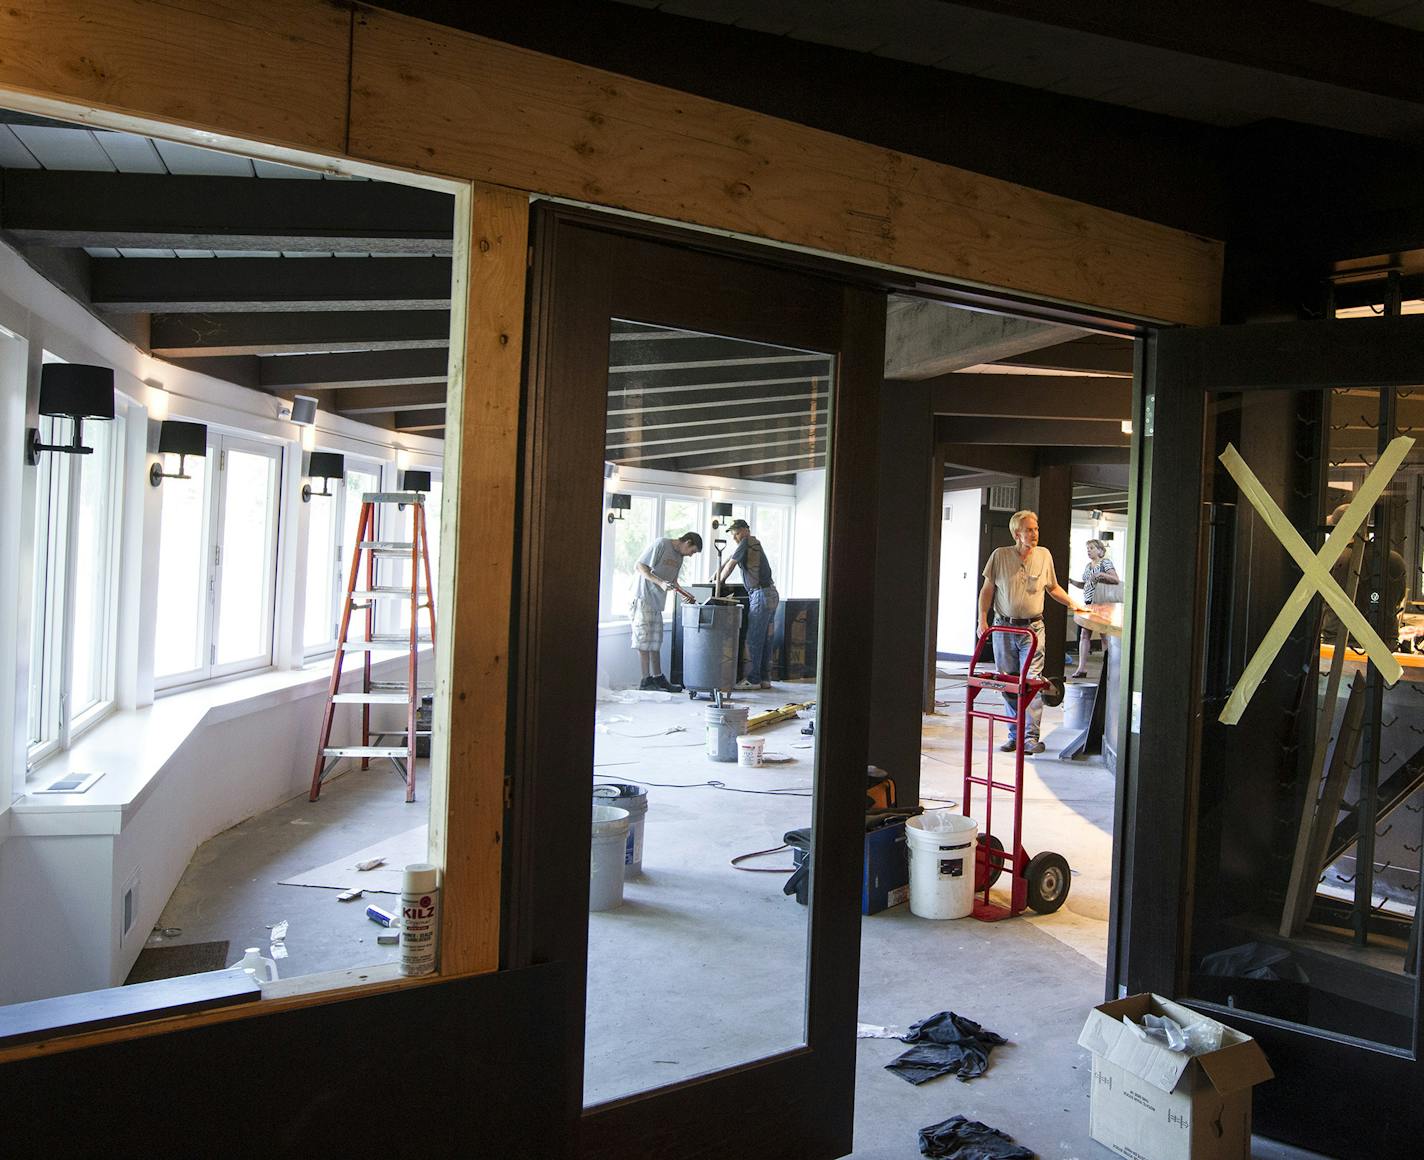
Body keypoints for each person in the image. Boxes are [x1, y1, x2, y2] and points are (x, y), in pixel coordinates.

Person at [977, 510, 1086, 754]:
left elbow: (1053, 587)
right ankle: (1014, 735)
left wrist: (1072, 603)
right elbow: (987, 589)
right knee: (1009, 681)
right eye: (1029, 529)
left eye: (1036, 529)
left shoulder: (1044, 555)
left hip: (1033, 628)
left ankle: (1030, 738)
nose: (1034, 533)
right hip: (1004, 627)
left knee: (1031, 681)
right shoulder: (1000, 556)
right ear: (1017, 533)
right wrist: (981, 619)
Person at [632, 532, 703, 691]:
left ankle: (658, 678)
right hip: (643, 597)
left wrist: (685, 594)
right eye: (692, 551)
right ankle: (645, 680)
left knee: (656, 641)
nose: (691, 555)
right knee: (643, 640)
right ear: (687, 542)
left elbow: (673, 582)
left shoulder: (679, 557)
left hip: (657, 602)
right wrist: (660, 583)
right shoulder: (661, 544)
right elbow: (640, 566)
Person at [716, 518, 780, 691]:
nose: (735, 537)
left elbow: (730, 565)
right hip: (771, 593)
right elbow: (729, 558)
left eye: (736, 533)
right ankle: (765, 679)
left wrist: (719, 582)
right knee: (766, 639)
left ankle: (753, 679)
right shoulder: (753, 544)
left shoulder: (747, 541)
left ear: (745, 530)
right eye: (733, 535)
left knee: (754, 639)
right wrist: (716, 573)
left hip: (760, 595)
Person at [1068, 538, 1120, 679]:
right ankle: (1082, 668)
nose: (1089, 551)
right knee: (1085, 634)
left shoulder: (1105, 563)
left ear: (1100, 550)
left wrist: (1101, 574)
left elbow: (1115, 579)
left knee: (1104, 636)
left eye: (1091, 548)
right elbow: (1086, 584)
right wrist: (1073, 582)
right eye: (1088, 549)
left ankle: (1110, 667)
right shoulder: (1088, 566)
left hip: (1102, 604)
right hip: (1089, 603)